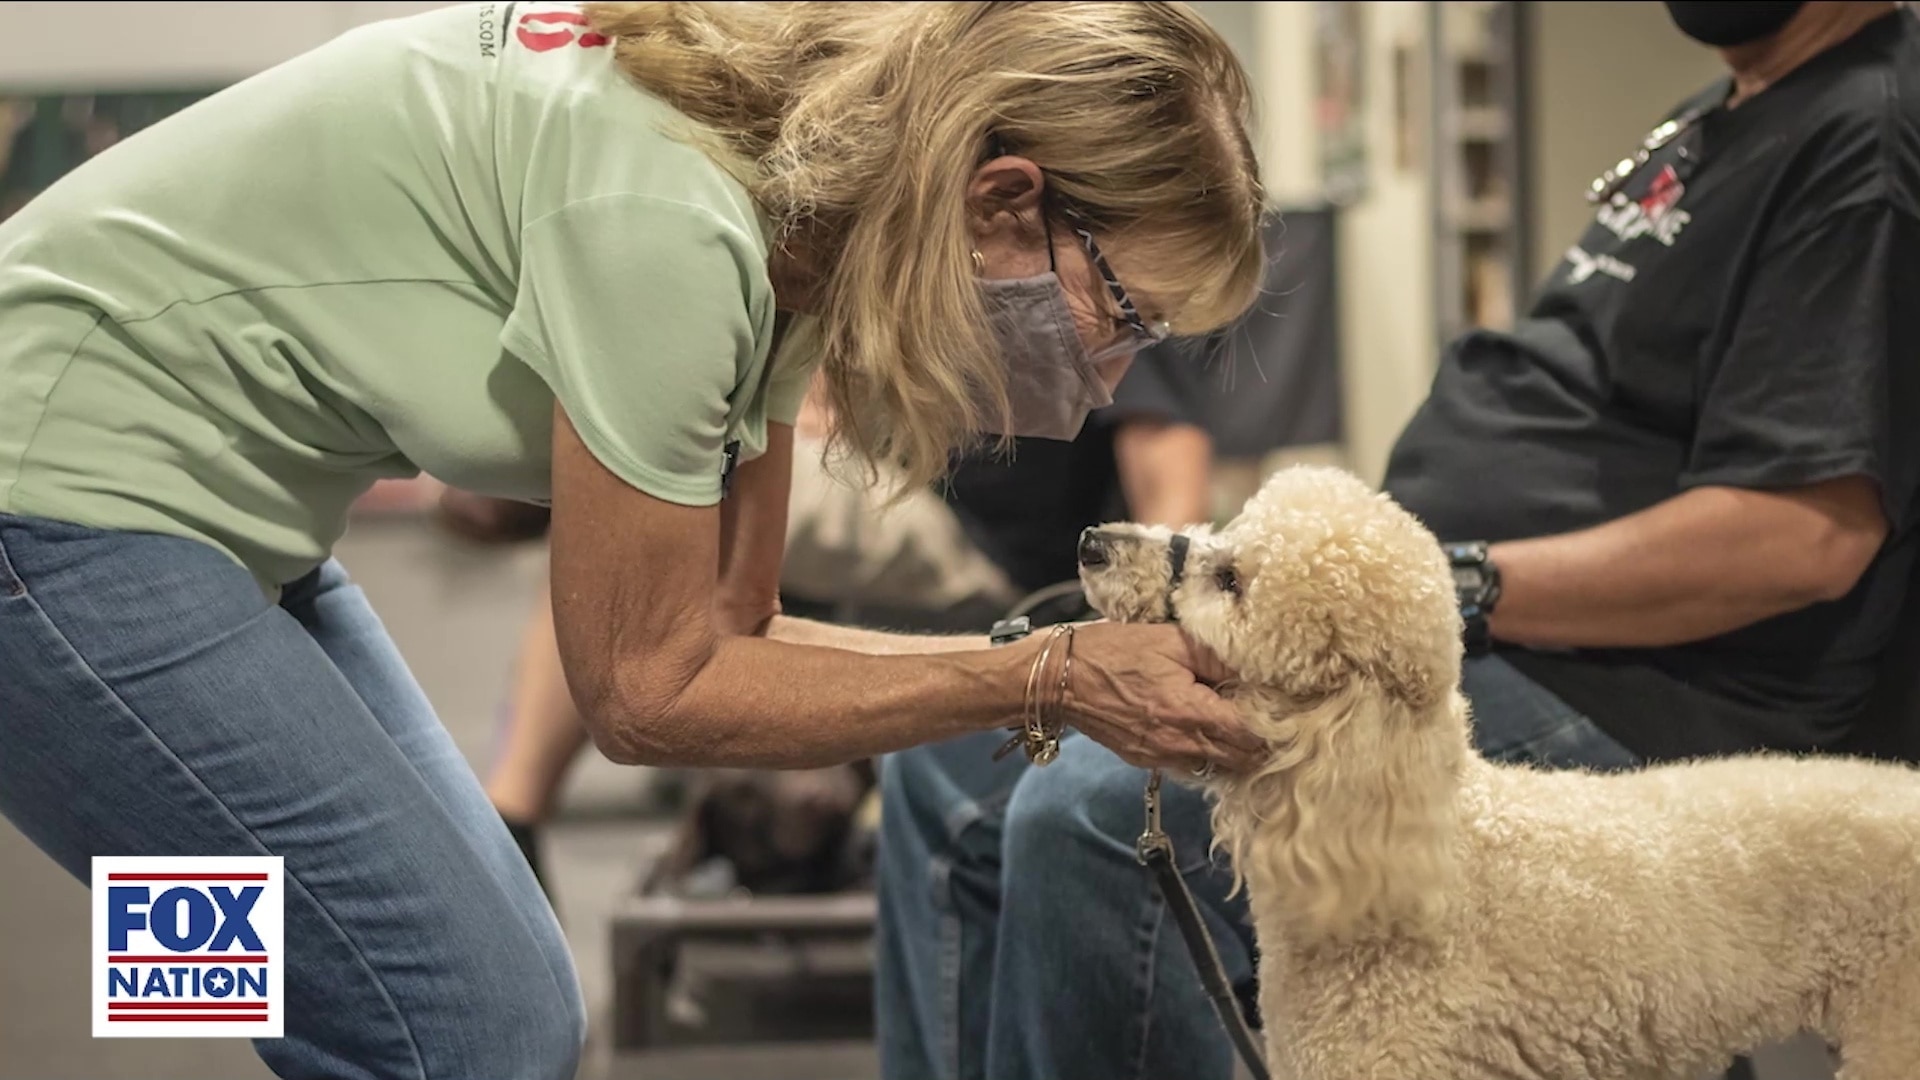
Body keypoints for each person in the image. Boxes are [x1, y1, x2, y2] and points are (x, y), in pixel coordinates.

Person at [0, 3, 1269, 1078]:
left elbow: (736, 628)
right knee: (467, 1026)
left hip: (232, 516)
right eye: (1121, 311)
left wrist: (1050, 663)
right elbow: (646, 695)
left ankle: (230, 965)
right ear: (1005, 200)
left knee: (470, 995)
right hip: (59, 489)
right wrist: (1046, 676)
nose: (1109, 378)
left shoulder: (803, 224)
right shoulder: (676, 210)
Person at [874, 3, 1920, 1079]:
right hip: (1474, 626)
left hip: (1614, 674)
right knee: (948, 770)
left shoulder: (1867, 136)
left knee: (1088, 812)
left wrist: (1456, 585)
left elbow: (1801, 536)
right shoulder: (1721, 117)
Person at [483, 341, 1220, 890]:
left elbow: (1168, 450)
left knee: (644, 498)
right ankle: (511, 813)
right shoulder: (976, 253)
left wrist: (1157, 607)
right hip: (905, 478)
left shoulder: (1108, 288)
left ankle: (512, 810)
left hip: (976, 542)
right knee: (626, 510)